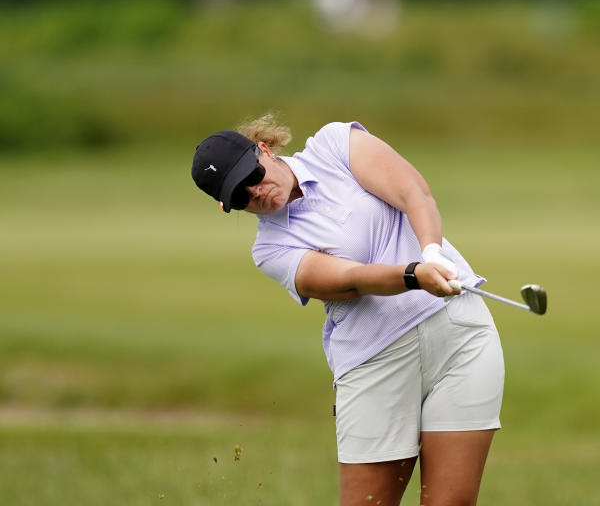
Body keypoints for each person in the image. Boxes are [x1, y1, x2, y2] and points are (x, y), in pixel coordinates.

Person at [191, 114, 504, 506]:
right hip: (375, 360)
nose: (257, 192)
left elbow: (413, 193)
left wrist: (432, 251)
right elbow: (350, 280)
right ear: (227, 207)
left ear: (265, 150)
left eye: (253, 175)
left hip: (461, 336)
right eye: (240, 196)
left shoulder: (334, 145)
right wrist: (414, 274)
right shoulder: (270, 250)